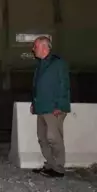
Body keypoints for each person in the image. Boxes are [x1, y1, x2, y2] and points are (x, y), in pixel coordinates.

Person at [30, 36, 71, 178]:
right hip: (42, 107)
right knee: (42, 138)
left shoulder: (58, 63)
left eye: (35, 46)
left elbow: (63, 85)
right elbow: (38, 85)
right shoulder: (41, 64)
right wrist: (34, 103)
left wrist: (60, 105)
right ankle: (50, 165)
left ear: (44, 46)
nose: (33, 49)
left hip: (54, 108)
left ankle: (59, 168)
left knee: (54, 137)